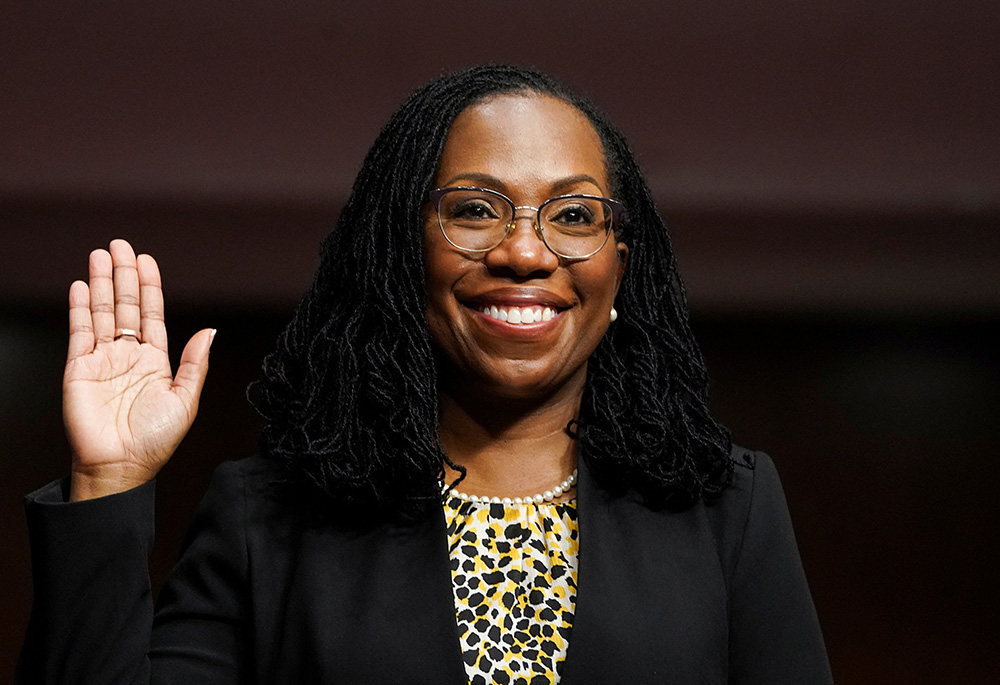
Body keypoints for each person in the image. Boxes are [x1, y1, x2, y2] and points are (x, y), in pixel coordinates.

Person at [19, 65, 833, 683]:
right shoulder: (265, 518)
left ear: (621, 264)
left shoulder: (728, 507)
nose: (524, 251)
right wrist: (107, 482)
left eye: (575, 214)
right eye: (476, 208)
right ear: (399, 249)